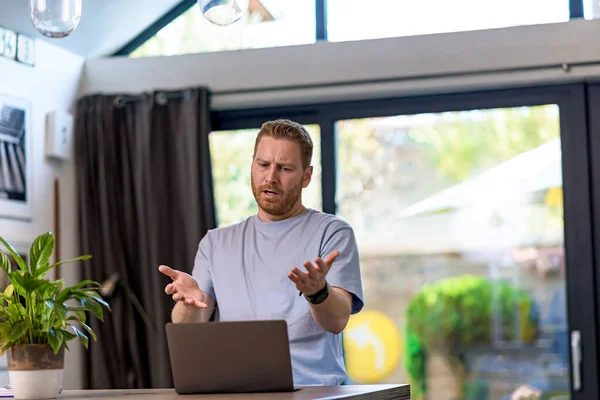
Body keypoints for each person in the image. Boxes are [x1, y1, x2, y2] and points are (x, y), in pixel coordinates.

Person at [159, 119, 364, 386]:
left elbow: (337, 321)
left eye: (285, 168)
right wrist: (189, 304)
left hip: (313, 392)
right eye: (263, 165)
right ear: (252, 165)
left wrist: (318, 292)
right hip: (236, 390)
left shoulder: (332, 233)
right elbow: (190, 328)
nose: (270, 178)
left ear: (306, 176)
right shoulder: (215, 243)